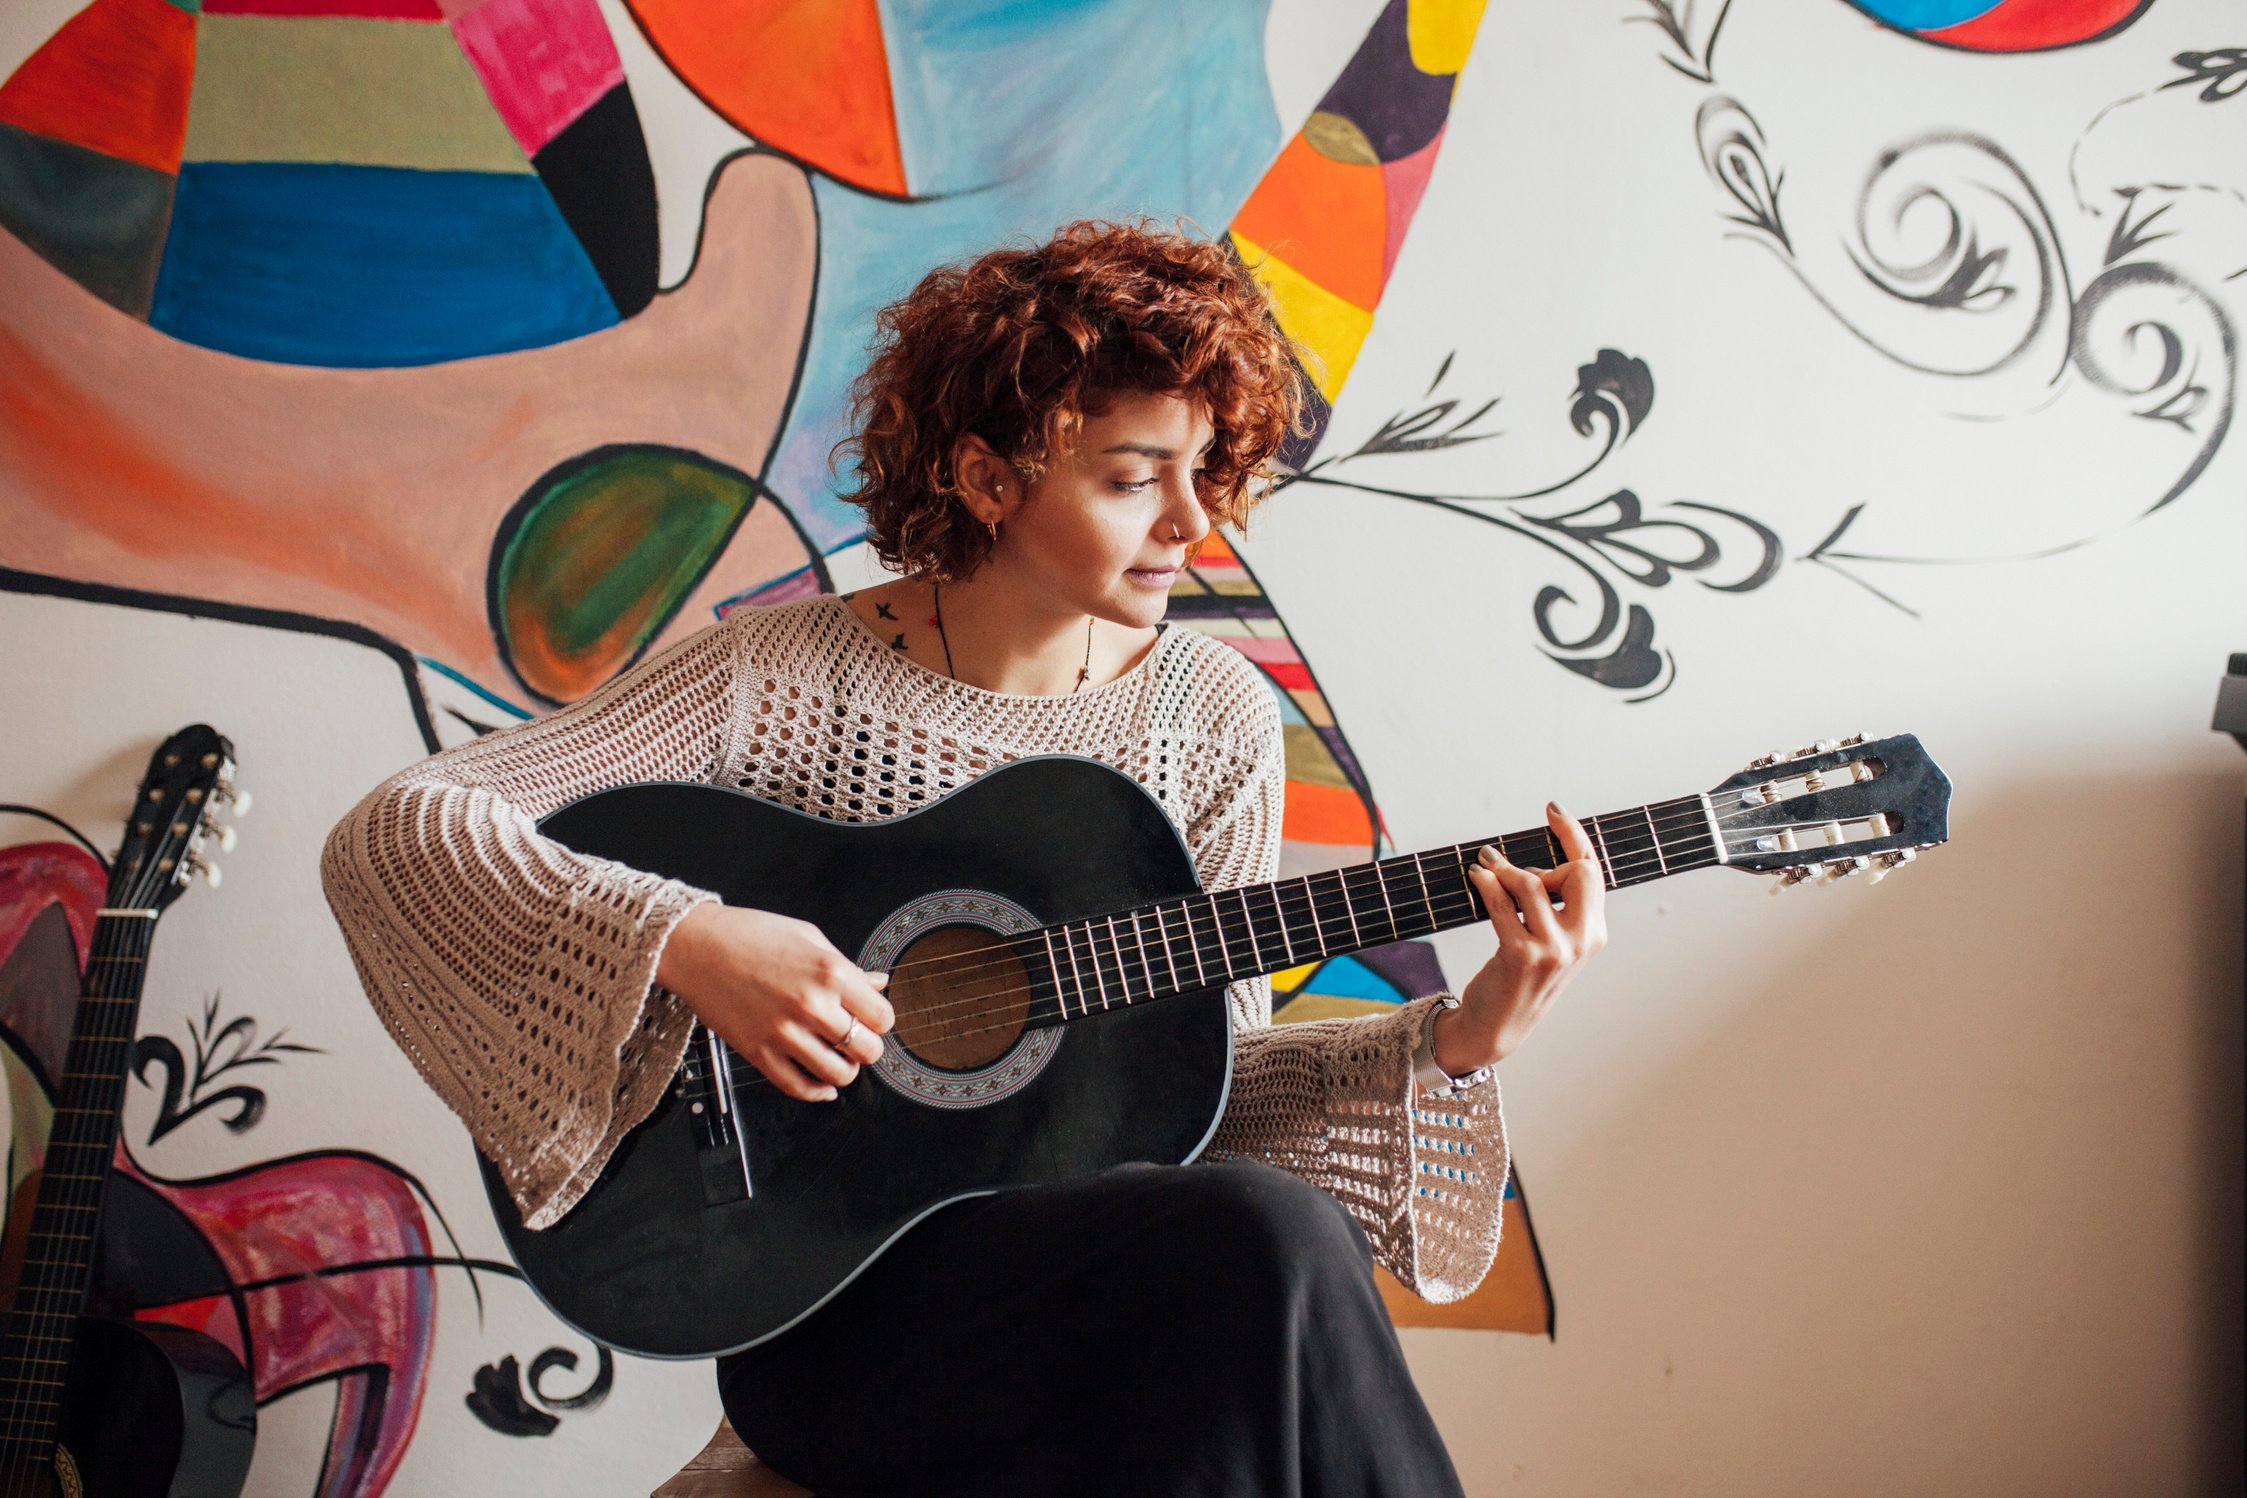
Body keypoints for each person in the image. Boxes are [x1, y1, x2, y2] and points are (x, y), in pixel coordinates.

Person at [321, 219, 1608, 1496]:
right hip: (837, 1332)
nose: (1192, 522)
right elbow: (404, 827)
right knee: (1262, 1250)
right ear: (991, 481)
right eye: (1129, 477)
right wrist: (688, 939)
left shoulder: (1212, 719)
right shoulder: (777, 679)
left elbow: (1196, 1102)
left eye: (1203, 467)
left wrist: (1451, 1041)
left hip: (1093, 1293)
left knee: (1254, 1272)